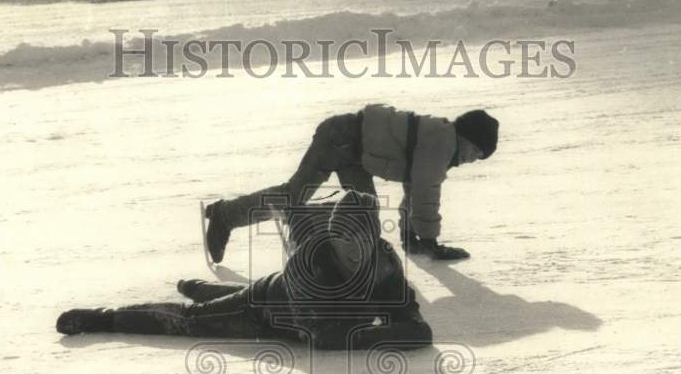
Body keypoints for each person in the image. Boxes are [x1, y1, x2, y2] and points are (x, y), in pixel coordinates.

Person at [57, 191, 431, 351]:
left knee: (215, 300)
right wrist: (383, 330)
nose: (345, 249)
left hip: (300, 306)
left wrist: (382, 328)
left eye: (354, 240)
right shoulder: (309, 262)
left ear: (372, 238)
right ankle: (104, 318)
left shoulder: (385, 263)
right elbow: (324, 337)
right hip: (265, 309)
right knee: (192, 320)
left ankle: (202, 287)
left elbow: (419, 329)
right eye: (338, 239)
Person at [203, 103, 498, 265]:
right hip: (340, 138)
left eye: (478, 158)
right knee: (293, 196)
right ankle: (224, 216)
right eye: (475, 152)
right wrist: (430, 243)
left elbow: (413, 188)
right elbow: (425, 192)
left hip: (356, 153)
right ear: (465, 137)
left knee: (365, 211)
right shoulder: (442, 142)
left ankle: (347, 266)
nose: (472, 160)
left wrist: (411, 237)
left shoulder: (441, 140)